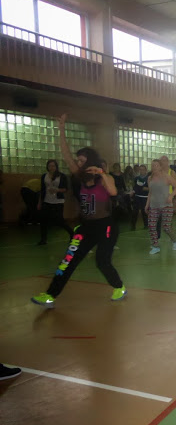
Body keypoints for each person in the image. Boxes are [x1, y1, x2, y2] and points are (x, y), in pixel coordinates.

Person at [31, 114, 126, 307]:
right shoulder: (79, 177)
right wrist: (61, 129)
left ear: (90, 161)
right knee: (68, 260)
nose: (79, 163)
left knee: (102, 261)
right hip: (86, 227)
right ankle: (50, 295)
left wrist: (101, 172)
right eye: (78, 161)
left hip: (106, 226)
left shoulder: (103, 178)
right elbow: (66, 155)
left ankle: (119, 286)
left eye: (82, 161)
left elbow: (113, 191)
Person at [145, 158, 176, 254]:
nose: (154, 167)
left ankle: (174, 240)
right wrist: (147, 205)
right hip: (154, 205)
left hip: (166, 205)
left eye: (156, 165)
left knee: (166, 227)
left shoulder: (167, 177)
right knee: (151, 226)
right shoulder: (150, 178)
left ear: (160, 167)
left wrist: (171, 196)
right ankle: (155, 246)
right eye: (153, 166)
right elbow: (150, 192)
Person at [37, 160, 72, 245]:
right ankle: (43, 239)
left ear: (56, 167)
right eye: (50, 166)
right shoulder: (44, 176)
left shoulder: (62, 176)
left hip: (58, 201)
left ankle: (72, 234)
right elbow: (42, 190)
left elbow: (66, 189)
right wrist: (39, 202)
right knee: (43, 220)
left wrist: (57, 190)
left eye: (53, 166)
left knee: (60, 221)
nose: (51, 167)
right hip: (46, 200)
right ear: (47, 167)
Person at [132, 164, 149, 230]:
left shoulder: (148, 178)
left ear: (146, 170)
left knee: (144, 212)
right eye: (140, 170)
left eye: (143, 170)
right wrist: (133, 191)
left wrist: (144, 188)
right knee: (135, 212)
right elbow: (135, 187)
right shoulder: (136, 178)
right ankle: (133, 225)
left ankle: (146, 225)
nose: (141, 171)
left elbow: (151, 188)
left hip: (145, 197)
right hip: (137, 197)